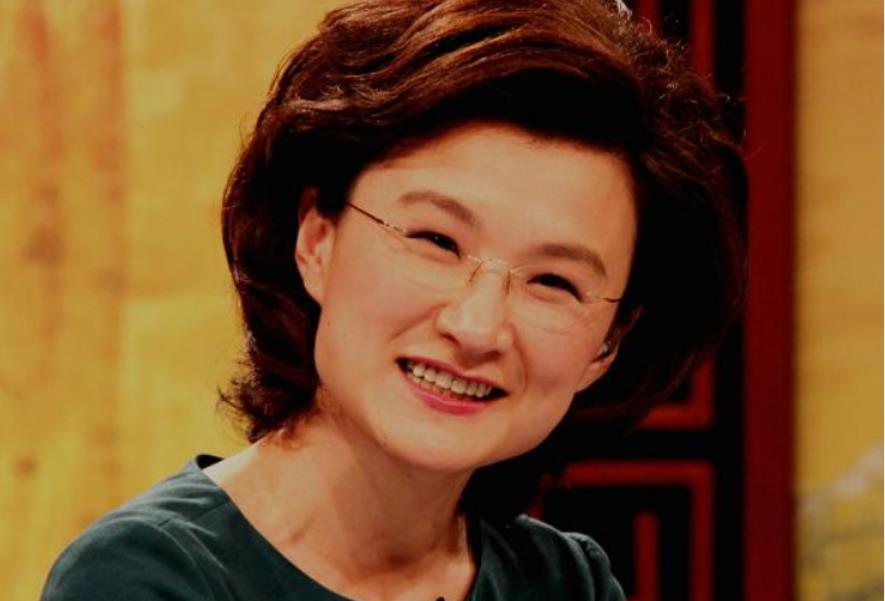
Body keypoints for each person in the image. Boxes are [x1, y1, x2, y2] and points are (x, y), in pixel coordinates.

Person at [41, 0, 746, 599]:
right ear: (316, 238)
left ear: (609, 342)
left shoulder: (564, 582)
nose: (477, 326)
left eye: (554, 282)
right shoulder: (146, 577)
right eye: (435, 240)